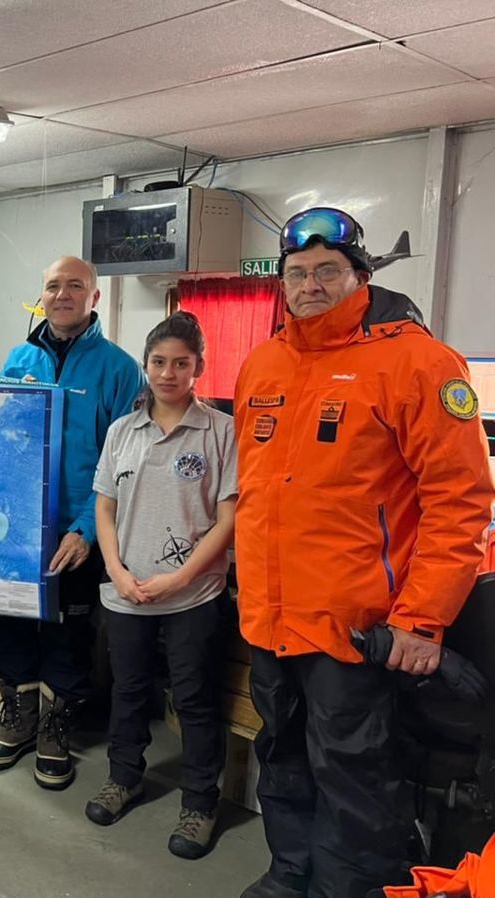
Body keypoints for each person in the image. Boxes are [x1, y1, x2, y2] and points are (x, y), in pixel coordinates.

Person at [234, 207, 495, 898]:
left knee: (355, 777)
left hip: (355, 627)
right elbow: (260, 492)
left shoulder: (418, 362)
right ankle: (290, 874)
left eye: (327, 271)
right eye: (297, 273)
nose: (310, 284)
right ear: (282, 283)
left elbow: (461, 499)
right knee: (282, 756)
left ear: (361, 276)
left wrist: (422, 619)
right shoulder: (263, 363)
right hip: (270, 618)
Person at [0, 256, 144, 790]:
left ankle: (55, 727)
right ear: (41, 297)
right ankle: (20, 717)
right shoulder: (17, 357)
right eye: (53, 286)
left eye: (76, 286)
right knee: (9, 622)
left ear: (94, 298)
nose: (63, 294)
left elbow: (123, 463)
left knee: (69, 634)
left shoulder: (119, 370)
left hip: (79, 530)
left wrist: (86, 530)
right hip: (14, 527)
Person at [86, 311, 237, 860]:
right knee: (127, 692)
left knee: (194, 699)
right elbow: (104, 507)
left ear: (199, 367)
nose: (168, 373)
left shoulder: (221, 431)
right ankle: (123, 778)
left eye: (181, 363)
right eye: (158, 362)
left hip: (193, 596)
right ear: (145, 364)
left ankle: (200, 802)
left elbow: (227, 518)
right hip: (126, 594)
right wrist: (119, 572)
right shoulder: (122, 431)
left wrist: (180, 577)